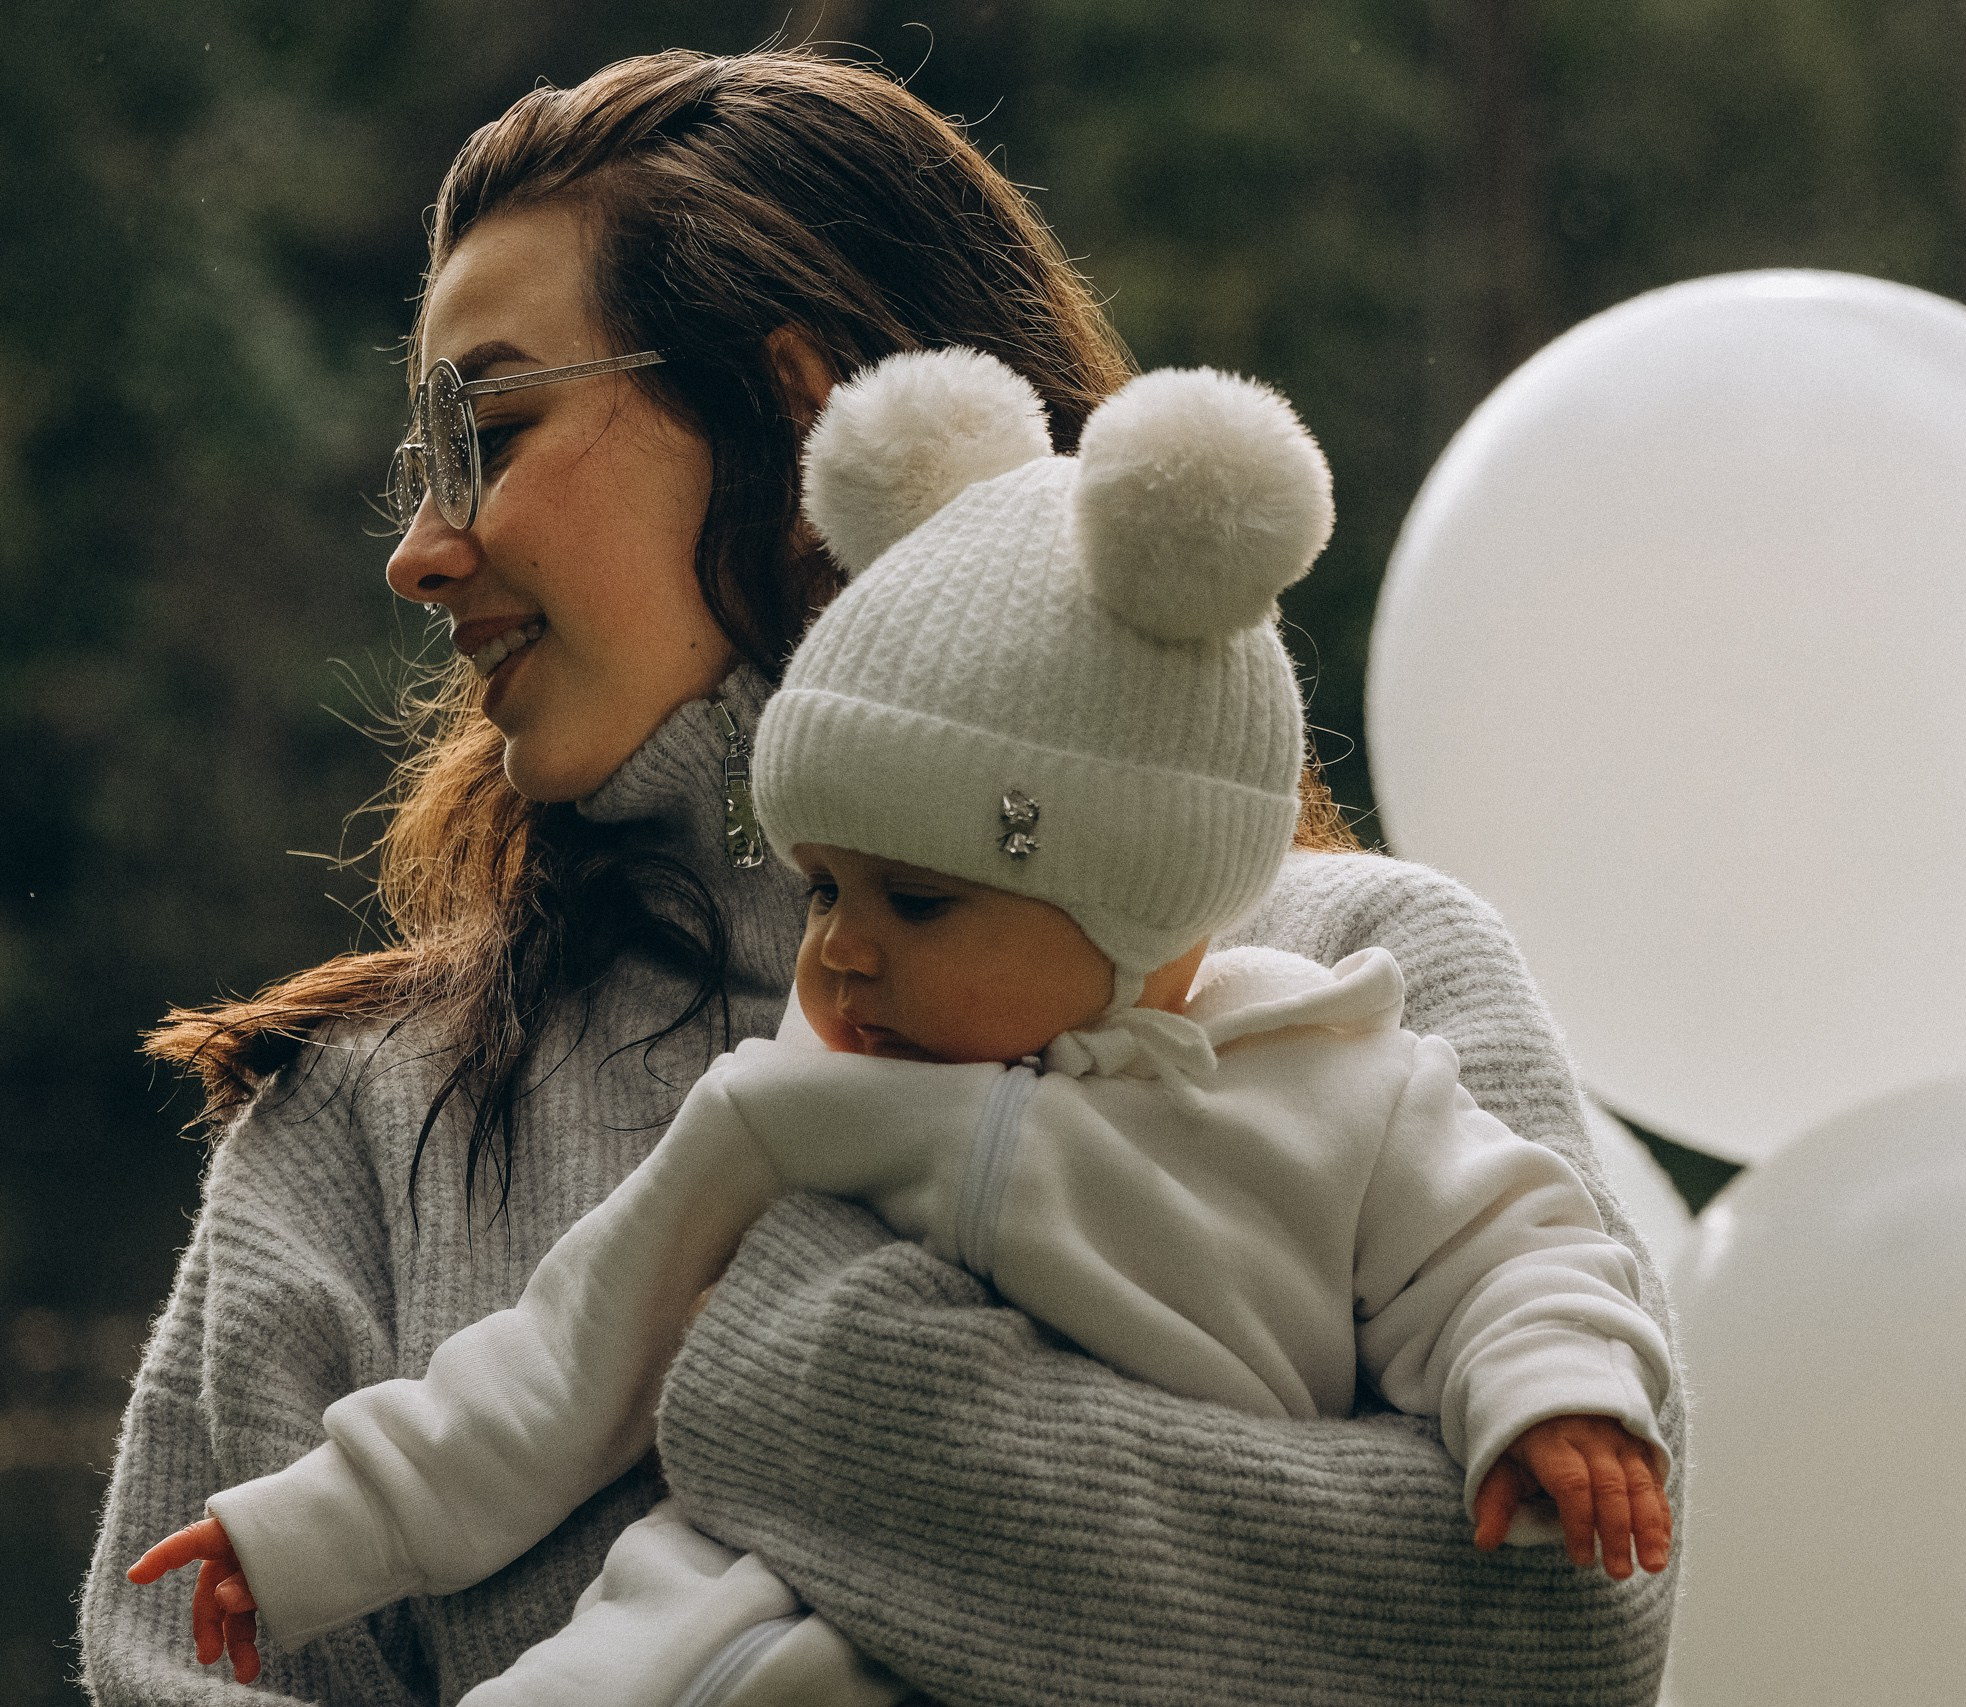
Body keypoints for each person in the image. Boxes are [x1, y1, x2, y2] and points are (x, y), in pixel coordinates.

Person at [81, 48, 1685, 1707]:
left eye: (485, 426)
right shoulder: (358, 1127)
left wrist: (809, 1382)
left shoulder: (1371, 980)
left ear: (803, 404)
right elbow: (170, 1664)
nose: (418, 545)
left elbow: (1559, 1639)